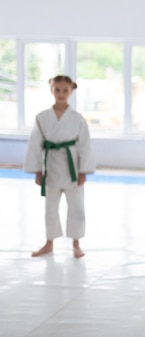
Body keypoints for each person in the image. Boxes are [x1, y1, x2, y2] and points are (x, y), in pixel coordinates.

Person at [24, 75, 96, 258]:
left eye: (65, 90)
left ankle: (76, 243)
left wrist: (83, 171)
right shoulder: (42, 118)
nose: (61, 94)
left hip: (72, 168)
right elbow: (35, 145)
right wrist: (37, 171)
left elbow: (85, 146)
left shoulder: (78, 119)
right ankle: (49, 243)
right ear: (51, 90)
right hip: (51, 168)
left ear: (71, 91)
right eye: (57, 90)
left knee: (77, 207)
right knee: (50, 207)